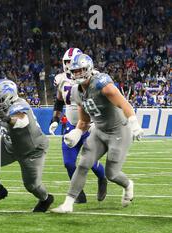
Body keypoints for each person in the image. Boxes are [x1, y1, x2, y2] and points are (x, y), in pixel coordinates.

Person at [51, 54, 144, 213]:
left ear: (89, 69)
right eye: (75, 71)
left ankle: (128, 184)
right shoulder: (75, 91)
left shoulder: (102, 84)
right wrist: (77, 132)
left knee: (111, 173)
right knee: (83, 164)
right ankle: (68, 203)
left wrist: (134, 124)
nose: (78, 74)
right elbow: (84, 120)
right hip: (99, 131)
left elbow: (123, 103)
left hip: (118, 131)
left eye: (81, 70)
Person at [0, 79, 54, 212]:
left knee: (32, 186)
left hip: (32, 150)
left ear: (9, 98)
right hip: (9, 145)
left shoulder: (19, 105)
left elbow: (22, 121)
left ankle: (46, 199)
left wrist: (8, 118)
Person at [48, 48, 107, 204]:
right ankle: (78, 191)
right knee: (68, 162)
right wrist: (54, 119)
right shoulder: (61, 79)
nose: (68, 65)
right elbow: (59, 100)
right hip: (72, 126)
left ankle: (102, 178)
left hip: (90, 125)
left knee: (90, 162)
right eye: (66, 62)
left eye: (71, 61)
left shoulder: (94, 76)